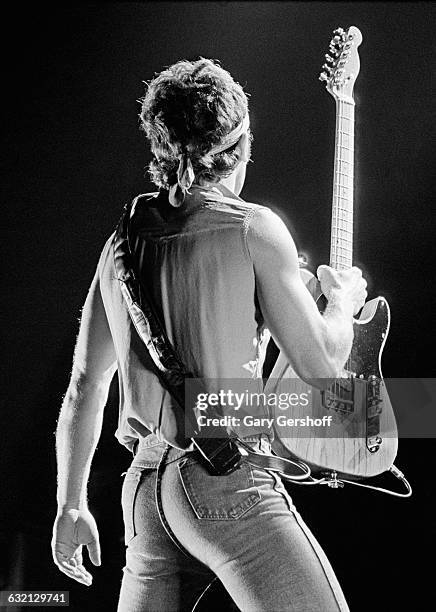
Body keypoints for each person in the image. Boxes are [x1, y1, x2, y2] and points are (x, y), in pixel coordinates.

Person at [52, 58, 367, 611]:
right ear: (240, 147)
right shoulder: (254, 228)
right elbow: (323, 372)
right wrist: (341, 304)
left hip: (146, 494)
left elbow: (84, 387)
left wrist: (70, 504)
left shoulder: (120, 245)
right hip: (226, 479)